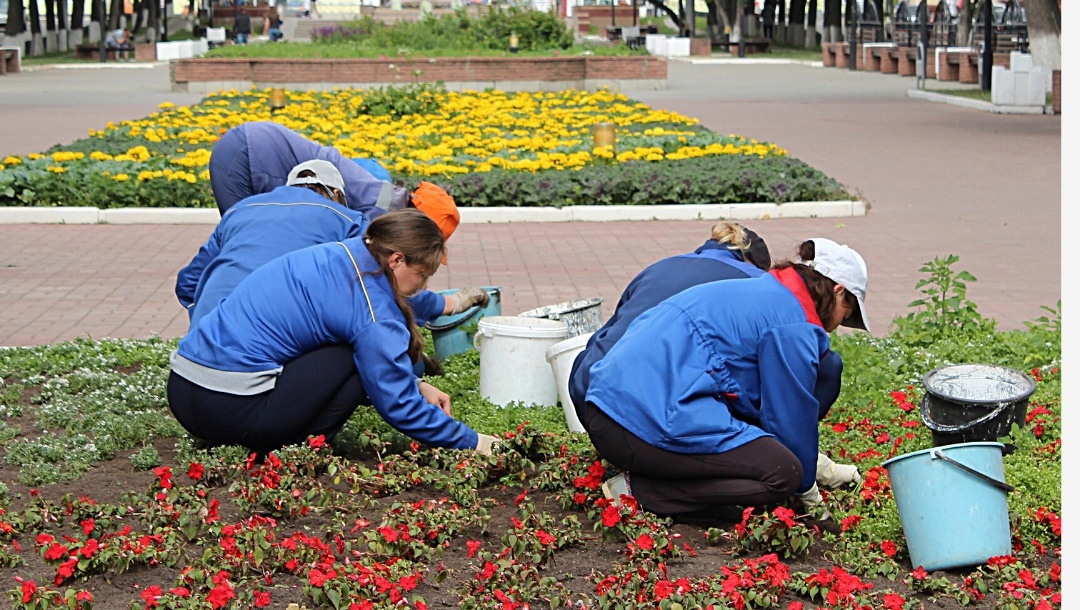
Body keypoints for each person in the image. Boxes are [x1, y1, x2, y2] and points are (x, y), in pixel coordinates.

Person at [581, 238, 871, 522]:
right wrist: (810, 497)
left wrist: (814, 461)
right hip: (635, 425)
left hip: (605, 406)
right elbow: (789, 415)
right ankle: (641, 492)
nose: (838, 326)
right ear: (838, 291)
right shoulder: (793, 324)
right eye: (847, 313)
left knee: (775, 451)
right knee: (783, 474)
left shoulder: (768, 292)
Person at [167, 209, 501, 456]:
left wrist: (417, 382)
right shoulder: (372, 313)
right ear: (397, 260)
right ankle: (297, 448)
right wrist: (473, 442)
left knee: (351, 346)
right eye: (423, 275)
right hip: (228, 410)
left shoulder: (347, 253)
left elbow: (395, 296)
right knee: (353, 356)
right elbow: (397, 402)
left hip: (183, 390)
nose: (423, 285)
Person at [176, 160, 490, 331]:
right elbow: (383, 285)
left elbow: (187, 284)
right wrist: (448, 304)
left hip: (201, 351)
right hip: (267, 347)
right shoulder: (346, 219)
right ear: (337, 195)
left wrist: (206, 318)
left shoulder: (241, 210)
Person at [208, 122, 410, 219]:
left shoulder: (373, 185)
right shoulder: (381, 209)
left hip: (249, 143)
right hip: (245, 157)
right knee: (240, 234)